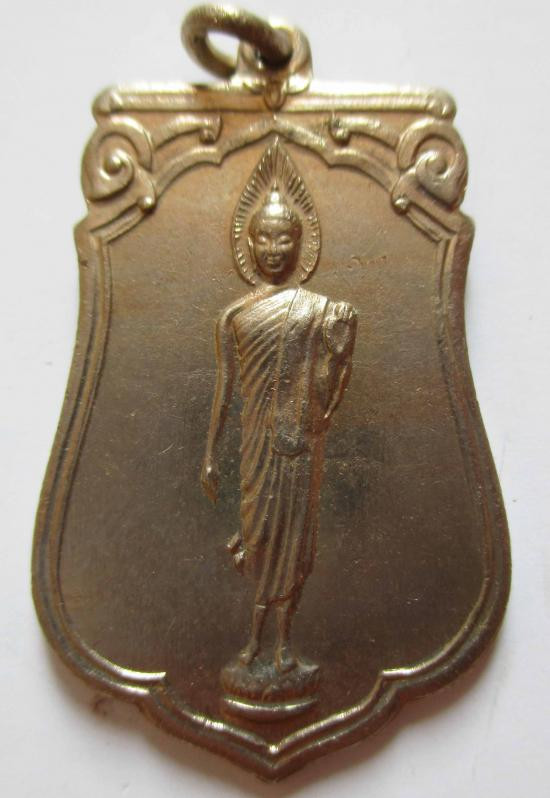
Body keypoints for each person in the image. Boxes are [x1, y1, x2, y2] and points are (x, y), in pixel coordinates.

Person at [201, 182, 357, 674]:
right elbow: (225, 389)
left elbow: (328, 386)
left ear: (299, 243)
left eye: (283, 238)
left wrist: (338, 347)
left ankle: (283, 647)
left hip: (298, 446)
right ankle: (253, 644)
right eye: (264, 238)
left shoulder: (317, 310)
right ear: (249, 244)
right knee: (261, 539)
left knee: (293, 545)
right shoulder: (234, 315)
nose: (274, 248)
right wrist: (209, 454)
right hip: (256, 446)